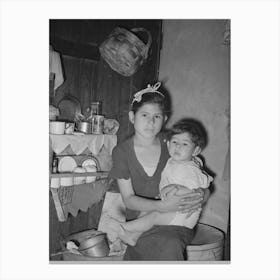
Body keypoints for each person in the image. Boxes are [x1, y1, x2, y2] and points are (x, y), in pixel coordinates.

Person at [109, 82, 211, 260]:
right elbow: (129, 200)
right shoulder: (122, 152)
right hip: (140, 221)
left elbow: (197, 175)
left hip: (176, 222)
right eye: (145, 115)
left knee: (168, 245)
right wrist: (161, 206)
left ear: (164, 119)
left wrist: (203, 193)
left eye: (157, 116)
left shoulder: (173, 143)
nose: (150, 122)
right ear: (132, 117)